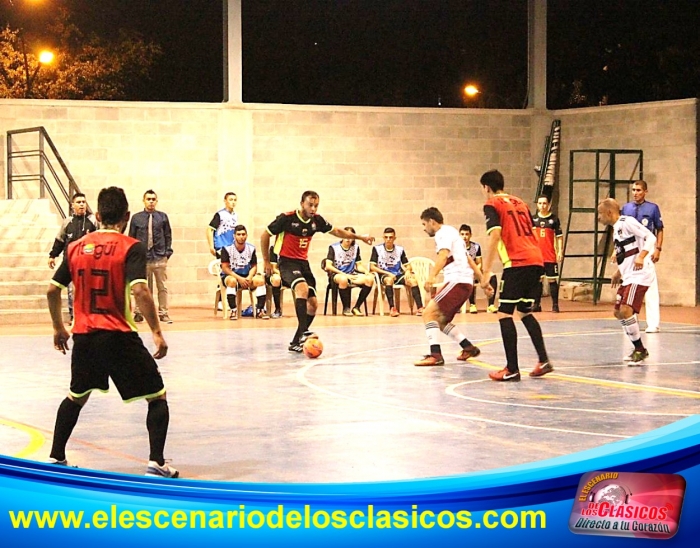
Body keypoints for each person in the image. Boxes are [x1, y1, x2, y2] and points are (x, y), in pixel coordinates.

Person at [46, 186, 178, 478]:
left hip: (84, 337)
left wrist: (59, 328)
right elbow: (141, 290)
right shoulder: (131, 247)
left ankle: (56, 458)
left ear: (97, 214)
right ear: (127, 216)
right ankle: (156, 462)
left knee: (76, 396)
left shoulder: (75, 247)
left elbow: (52, 290)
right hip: (119, 336)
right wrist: (157, 331)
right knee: (157, 396)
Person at [261, 190, 374, 353]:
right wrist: (266, 261)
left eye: (316, 205)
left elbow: (337, 232)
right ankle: (303, 332)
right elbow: (265, 235)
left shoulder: (316, 221)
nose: (313, 208)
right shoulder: (286, 219)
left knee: (313, 305)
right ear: (302, 204)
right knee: (302, 288)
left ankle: (295, 341)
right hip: (286, 262)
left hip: (303, 264)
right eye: (310, 205)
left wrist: (360, 238)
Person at [478, 169, 553, 381]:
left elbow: (495, 234)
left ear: (487, 187)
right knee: (524, 311)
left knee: (504, 313)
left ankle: (512, 369)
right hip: (536, 260)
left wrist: (486, 271)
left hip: (517, 263)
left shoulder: (491, 204)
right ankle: (543, 359)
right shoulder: (521, 202)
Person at [414, 208, 483, 366]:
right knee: (441, 320)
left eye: (424, 224)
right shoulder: (452, 231)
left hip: (457, 281)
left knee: (428, 314)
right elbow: (469, 260)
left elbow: (443, 255)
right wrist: (482, 280)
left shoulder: (442, 233)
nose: (424, 228)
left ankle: (435, 355)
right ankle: (468, 347)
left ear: (432, 221)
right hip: (464, 283)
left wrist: (431, 277)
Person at [597, 198, 656, 364]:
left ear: (609, 212)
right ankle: (639, 348)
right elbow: (626, 252)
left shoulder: (627, 222)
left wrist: (642, 257)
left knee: (626, 310)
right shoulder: (616, 229)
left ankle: (640, 350)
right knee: (618, 312)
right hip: (628, 275)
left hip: (640, 274)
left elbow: (650, 237)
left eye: (600, 214)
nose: (599, 218)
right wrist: (618, 271)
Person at [620, 180, 663, 333]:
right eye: (633, 190)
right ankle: (631, 320)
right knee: (630, 285)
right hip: (630, 251)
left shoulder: (653, 208)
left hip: (647, 249)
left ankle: (653, 323)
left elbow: (659, 229)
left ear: (645, 191)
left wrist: (658, 249)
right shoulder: (626, 208)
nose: (636, 193)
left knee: (650, 286)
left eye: (638, 190)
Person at [48, 193, 98, 322]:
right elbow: (60, 240)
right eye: (79, 202)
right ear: (73, 206)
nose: (82, 204)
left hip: (88, 263)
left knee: (87, 290)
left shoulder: (93, 222)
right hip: (70, 262)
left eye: (83, 202)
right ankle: (74, 315)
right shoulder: (67, 222)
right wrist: (53, 255)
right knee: (71, 291)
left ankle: (87, 314)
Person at [128, 190, 173, 324]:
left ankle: (163, 313)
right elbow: (132, 237)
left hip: (159, 257)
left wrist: (167, 253)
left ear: (156, 201)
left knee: (162, 287)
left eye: (153, 199)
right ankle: (138, 312)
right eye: (148, 199)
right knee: (139, 286)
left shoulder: (162, 217)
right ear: (144, 201)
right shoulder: (136, 218)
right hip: (142, 258)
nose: (151, 201)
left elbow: (168, 235)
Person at [369, 228, 425, 317]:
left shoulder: (399, 250)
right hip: (383, 275)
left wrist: (407, 271)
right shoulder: (377, 249)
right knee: (389, 280)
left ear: (394, 238)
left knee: (413, 281)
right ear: (383, 237)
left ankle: (420, 308)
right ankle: (392, 308)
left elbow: (408, 265)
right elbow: (372, 267)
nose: (388, 239)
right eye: (386, 237)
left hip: (398, 274)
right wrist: (387, 273)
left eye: (390, 237)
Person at [220, 225, 269, 320]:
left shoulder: (251, 248)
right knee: (232, 281)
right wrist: (239, 278)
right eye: (238, 234)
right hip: (231, 275)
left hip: (246, 276)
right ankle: (233, 310)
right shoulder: (226, 249)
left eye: (243, 234)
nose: (241, 236)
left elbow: (254, 266)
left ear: (246, 235)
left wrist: (250, 276)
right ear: (234, 236)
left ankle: (260, 310)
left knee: (260, 280)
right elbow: (225, 268)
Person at [323, 227, 374, 316]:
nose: (348, 239)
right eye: (346, 236)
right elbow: (328, 266)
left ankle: (357, 307)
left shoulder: (355, 248)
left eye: (350, 237)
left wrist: (366, 271)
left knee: (369, 279)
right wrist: (344, 274)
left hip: (351, 274)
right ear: (342, 236)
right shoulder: (333, 247)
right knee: (343, 279)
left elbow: (358, 266)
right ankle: (346, 308)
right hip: (337, 274)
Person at [531, 195, 563, 313]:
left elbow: (559, 237)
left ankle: (555, 305)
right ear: (537, 205)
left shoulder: (554, 219)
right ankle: (536, 304)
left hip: (550, 255)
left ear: (548, 205)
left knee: (552, 280)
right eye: (540, 203)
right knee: (537, 280)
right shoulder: (533, 219)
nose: (542, 206)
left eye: (544, 203)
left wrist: (560, 251)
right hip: (537, 256)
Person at [459, 224, 498, 313]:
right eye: (462, 234)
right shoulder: (458, 247)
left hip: (476, 271)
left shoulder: (476, 247)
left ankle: (491, 305)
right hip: (463, 273)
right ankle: (472, 304)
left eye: (467, 234)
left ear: (470, 235)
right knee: (470, 278)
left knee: (492, 276)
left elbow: (479, 263)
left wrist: (476, 271)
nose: (464, 237)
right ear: (459, 235)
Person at [207, 192, 238, 258]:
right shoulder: (220, 214)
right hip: (221, 247)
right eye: (231, 199)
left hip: (231, 247)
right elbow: (210, 229)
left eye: (235, 200)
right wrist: (211, 246)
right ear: (225, 201)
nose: (233, 202)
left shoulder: (235, 215)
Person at [266, 245, 283, 318]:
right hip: (278, 274)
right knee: (276, 279)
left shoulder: (292, 248)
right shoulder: (274, 248)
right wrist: (284, 274)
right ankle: (278, 309)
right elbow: (274, 268)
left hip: (290, 274)